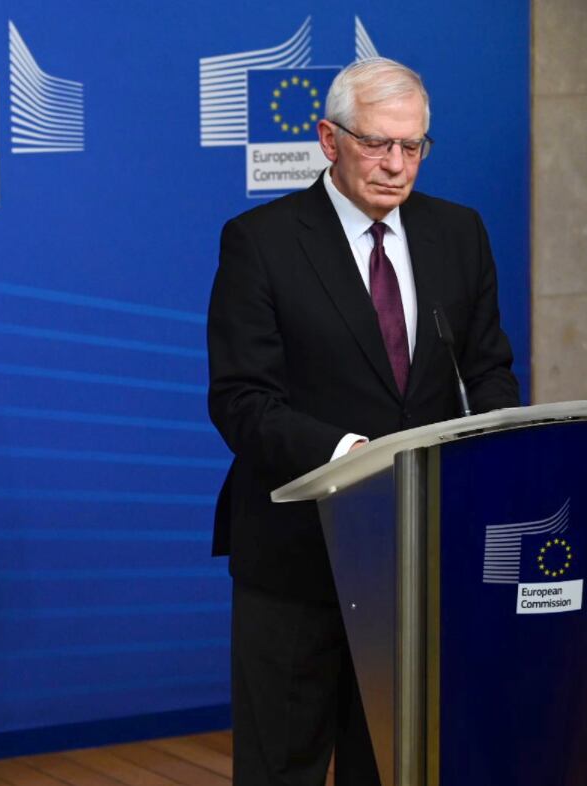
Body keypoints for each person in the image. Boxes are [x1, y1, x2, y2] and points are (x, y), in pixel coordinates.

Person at [207, 58, 519, 785]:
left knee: (391, 763)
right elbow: (241, 399)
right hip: (297, 553)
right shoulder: (261, 241)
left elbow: (490, 369)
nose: (396, 164)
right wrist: (356, 457)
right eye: (378, 143)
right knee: (282, 765)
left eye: (413, 147)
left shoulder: (459, 233)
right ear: (328, 138)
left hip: (414, 557)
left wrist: (493, 451)